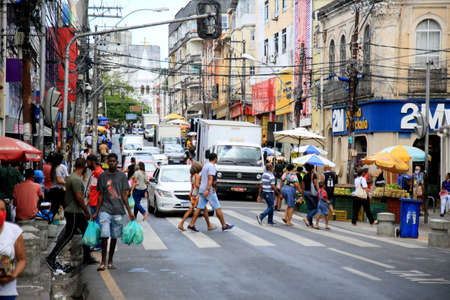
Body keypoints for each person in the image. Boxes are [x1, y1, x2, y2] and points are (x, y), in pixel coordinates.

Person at [46, 158, 97, 272]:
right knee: (68, 235)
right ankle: (51, 257)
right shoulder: (75, 179)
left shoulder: (71, 177)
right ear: (83, 167)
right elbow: (79, 197)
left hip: (76, 211)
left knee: (85, 231)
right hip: (74, 211)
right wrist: (87, 211)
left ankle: (87, 257)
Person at [93, 153, 135, 271]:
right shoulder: (102, 176)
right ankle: (103, 262)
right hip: (105, 210)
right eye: (110, 161)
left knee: (114, 236)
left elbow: (125, 196)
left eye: (114, 161)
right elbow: (100, 195)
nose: (111, 163)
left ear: (117, 162)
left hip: (118, 211)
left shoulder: (122, 176)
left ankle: (110, 261)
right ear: (107, 162)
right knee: (104, 235)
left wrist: (130, 212)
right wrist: (96, 212)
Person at [187, 153, 233, 232]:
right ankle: (224, 225)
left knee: (199, 208)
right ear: (215, 158)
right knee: (217, 207)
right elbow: (210, 179)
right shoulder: (212, 167)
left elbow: (201, 176)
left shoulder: (205, 165)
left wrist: (203, 186)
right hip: (209, 191)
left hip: (202, 189)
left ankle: (191, 224)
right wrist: (208, 189)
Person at [0, 198, 26, 299]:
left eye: (2, 210)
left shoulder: (14, 230)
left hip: (7, 291)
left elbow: (22, 259)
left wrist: (14, 274)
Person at [178, 162, 216, 231]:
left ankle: (208, 225)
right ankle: (182, 224)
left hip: (193, 194)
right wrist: (203, 188)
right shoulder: (197, 176)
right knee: (192, 210)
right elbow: (197, 185)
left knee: (204, 209)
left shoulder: (192, 175)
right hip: (196, 195)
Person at [48, 153, 68, 218]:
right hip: (59, 190)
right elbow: (59, 180)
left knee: (54, 207)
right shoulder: (59, 168)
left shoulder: (54, 167)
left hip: (53, 189)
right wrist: (66, 183)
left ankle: (52, 219)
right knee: (64, 205)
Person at [86, 155, 104, 223]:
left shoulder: (98, 172)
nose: (87, 165)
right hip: (94, 201)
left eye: (87, 162)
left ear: (92, 162)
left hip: (96, 202)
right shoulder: (96, 172)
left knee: (97, 223)